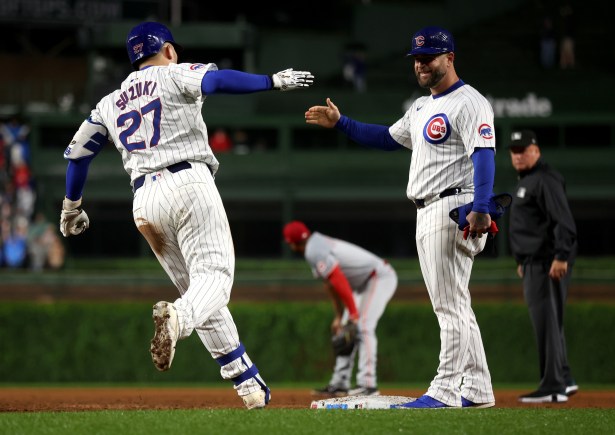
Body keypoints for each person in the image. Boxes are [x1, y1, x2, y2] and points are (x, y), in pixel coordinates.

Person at [58, 21, 314, 410]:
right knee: (215, 281)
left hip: (144, 200)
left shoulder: (109, 103)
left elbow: (78, 153)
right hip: (187, 181)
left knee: (200, 292)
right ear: (170, 50)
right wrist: (271, 81)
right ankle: (177, 317)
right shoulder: (174, 72)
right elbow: (215, 81)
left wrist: (71, 206)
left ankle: (248, 385)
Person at [305, 26, 497, 408]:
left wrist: (482, 207)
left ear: (450, 58)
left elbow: (484, 154)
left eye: (429, 57)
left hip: (452, 208)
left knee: (449, 307)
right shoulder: (423, 106)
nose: (422, 64)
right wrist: (341, 123)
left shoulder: (469, 102)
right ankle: (477, 390)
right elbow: (387, 138)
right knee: (457, 303)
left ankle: (443, 390)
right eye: (417, 59)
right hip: (429, 211)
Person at [282, 221, 397, 397]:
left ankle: (368, 385)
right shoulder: (315, 245)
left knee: (363, 325)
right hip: (362, 284)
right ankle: (339, 383)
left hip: (378, 277)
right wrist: (339, 316)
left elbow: (338, 278)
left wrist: (353, 313)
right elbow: (331, 284)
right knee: (345, 331)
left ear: (291, 243)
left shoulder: (314, 250)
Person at [507, 130, 579, 404]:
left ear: (536, 151)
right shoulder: (531, 180)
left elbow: (564, 222)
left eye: (523, 149)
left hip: (547, 262)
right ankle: (564, 378)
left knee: (546, 322)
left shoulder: (544, 179)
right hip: (535, 262)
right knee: (552, 322)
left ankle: (552, 386)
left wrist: (561, 255)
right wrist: (521, 260)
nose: (518, 154)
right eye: (514, 150)